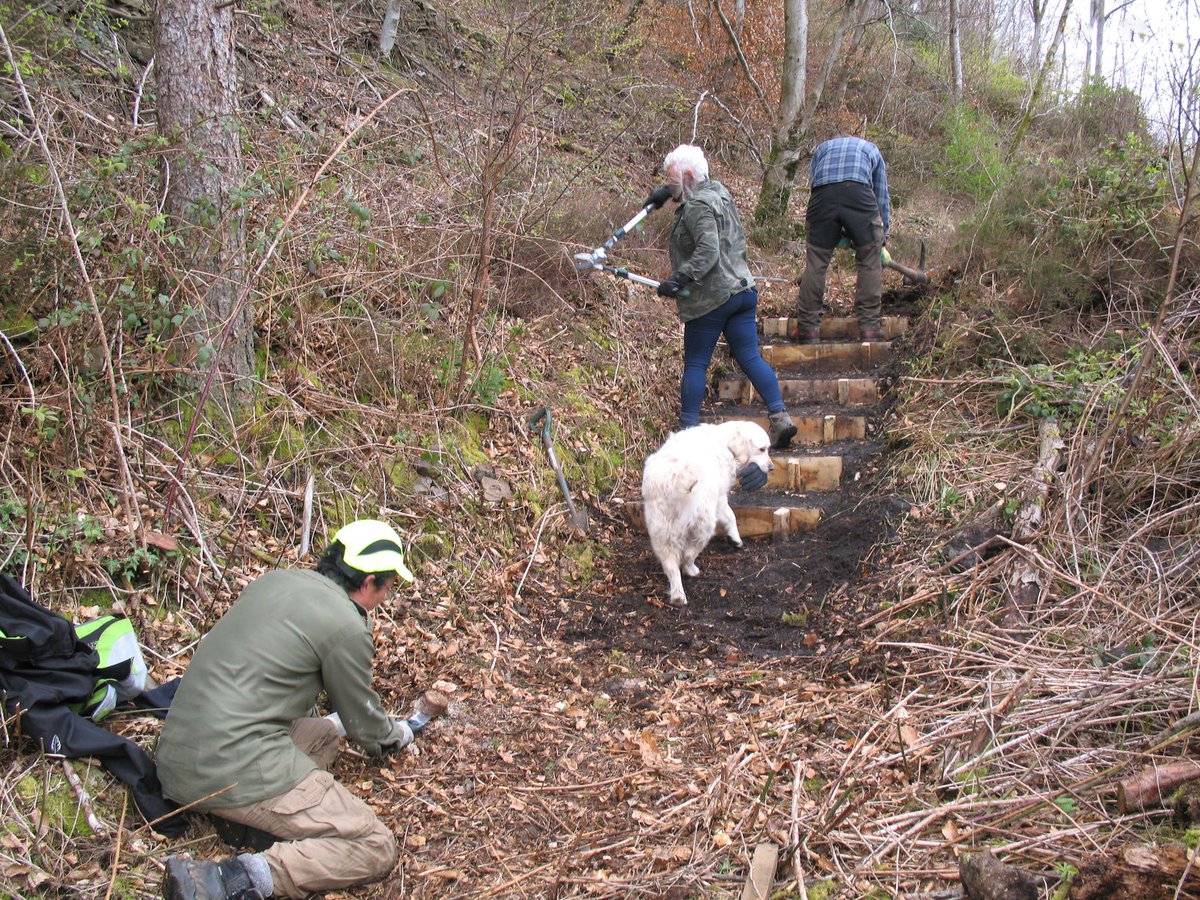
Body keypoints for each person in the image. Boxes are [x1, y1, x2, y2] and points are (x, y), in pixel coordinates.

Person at [157, 520, 424, 900]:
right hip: (231, 761)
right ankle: (232, 880)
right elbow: (364, 724)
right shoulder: (346, 624)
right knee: (374, 844)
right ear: (367, 583)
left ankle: (241, 822)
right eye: (388, 587)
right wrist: (399, 733)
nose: (386, 597)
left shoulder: (277, 581)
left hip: (178, 753)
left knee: (325, 737)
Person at [645, 143, 797, 452]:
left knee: (697, 363)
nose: (668, 181)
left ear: (687, 175)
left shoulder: (698, 206)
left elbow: (709, 250)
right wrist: (666, 193)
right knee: (750, 357)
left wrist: (680, 278)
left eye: (671, 177)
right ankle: (780, 418)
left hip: (713, 298)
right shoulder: (719, 193)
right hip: (742, 291)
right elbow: (695, 195)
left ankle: (687, 435)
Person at [794, 135, 891, 344]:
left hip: (822, 198)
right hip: (859, 194)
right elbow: (881, 196)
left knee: (816, 262)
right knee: (869, 261)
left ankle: (808, 330)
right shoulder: (872, 150)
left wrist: (836, 230)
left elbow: (817, 188)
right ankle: (870, 328)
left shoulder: (822, 149)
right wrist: (879, 239)